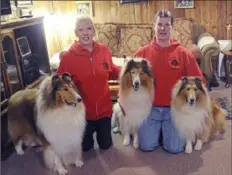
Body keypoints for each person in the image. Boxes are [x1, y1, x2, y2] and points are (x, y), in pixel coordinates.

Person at [133, 10, 206, 153]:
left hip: (175, 109)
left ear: (172, 28)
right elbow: (127, 80)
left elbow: (199, 82)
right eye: (159, 24)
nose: (162, 28)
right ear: (154, 26)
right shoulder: (142, 53)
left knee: (175, 148)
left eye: (167, 25)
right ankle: (158, 130)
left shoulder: (184, 54)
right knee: (146, 146)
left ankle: (164, 130)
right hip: (150, 108)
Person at [57, 16, 120, 151]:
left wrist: (128, 71)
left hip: (104, 110)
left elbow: (113, 70)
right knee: (86, 148)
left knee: (105, 145)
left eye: (89, 28)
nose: (85, 33)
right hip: (82, 113)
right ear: (76, 33)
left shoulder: (104, 51)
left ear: (94, 31)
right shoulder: (68, 57)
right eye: (81, 30)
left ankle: (106, 127)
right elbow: (59, 83)